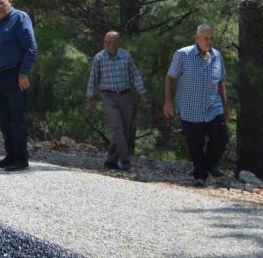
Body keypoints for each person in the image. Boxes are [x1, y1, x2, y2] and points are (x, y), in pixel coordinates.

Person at [163, 24, 231, 186]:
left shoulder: (217, 56)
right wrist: (168, 102)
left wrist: (225, 108)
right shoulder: (183, 54)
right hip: (190, 108)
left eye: (211, 38)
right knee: (196, 145)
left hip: (213, 108)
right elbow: (170, 78)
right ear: (197, 38)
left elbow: (220, 83)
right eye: (205, 38)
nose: (209, 42)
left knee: (221, 136)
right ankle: (200, 176)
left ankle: (210, 164)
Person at [0, 0, 37, 171]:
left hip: (15, 75)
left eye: (1, 3)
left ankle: (21, 159)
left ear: (9, 2)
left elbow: (31, 48)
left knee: (17, 118)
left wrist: (23, 73)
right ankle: (10, 156)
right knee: (4, 118)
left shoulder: (20, 18)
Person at [86, 31, 148, 171]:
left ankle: (111, 160)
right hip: (107, 96)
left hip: (125, 95)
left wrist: (142, 94)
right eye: (105, 42)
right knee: (117, 127)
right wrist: (89, 99)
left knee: (125, 130)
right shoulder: (99, 58)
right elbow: (93, 79)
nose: (106, 45)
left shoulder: (126, 56)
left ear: (117, 43)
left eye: (110, 42)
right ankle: (126, 161)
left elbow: (135, 75)